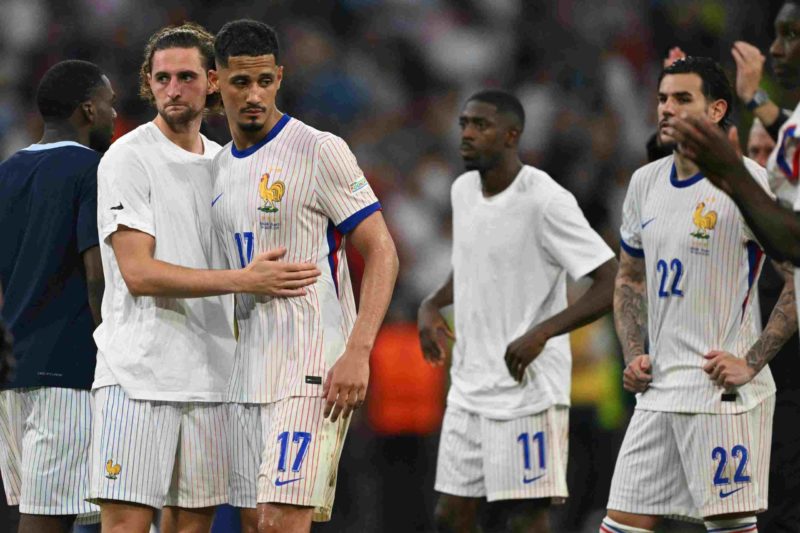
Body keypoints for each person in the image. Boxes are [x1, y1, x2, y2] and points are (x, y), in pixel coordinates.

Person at [86, 23, 321, 533]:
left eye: (187, 76)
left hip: (215, 376)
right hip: (138, 375)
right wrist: (243, 279)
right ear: (148, 83)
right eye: (162, 78)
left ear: (212, 81)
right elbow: (138, 272)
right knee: (126, 523)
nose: (174, 89)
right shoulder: (128, 157)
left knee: (193, 525)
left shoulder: (226, 163)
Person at [209, 19, 399, 533]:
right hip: (247, 373)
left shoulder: (319, 149)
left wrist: (359, 349)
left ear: (280, 78)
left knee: (279, 522)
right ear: (215, 82)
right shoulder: (218, 170)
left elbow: (381, 250)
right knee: (251, 521)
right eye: (241, 82)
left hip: (314, 368)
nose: (254, 95)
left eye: (265, 81)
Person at [602, 56, 797, 533]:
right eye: (662, 98)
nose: (666, 109)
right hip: (658, 392)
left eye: (682, 99)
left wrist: (751, 363)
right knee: (618, 524)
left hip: (720, 395)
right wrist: (633, 352)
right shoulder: (645, 184)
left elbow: (794, 276)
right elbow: (629, 277)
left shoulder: (747, 181)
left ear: (716, 111)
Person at [418, 89, 618, 533]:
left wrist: (543, 332)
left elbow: (610, 280)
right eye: (464, 124)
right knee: (450, 517)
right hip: (469, 389)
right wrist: (431, 303)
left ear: (512, 135)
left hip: (528, 391)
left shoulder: (545, 199)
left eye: (481, 125)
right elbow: (468, 265)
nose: (467, 133)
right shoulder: (462, 190)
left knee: (524, 520)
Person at [0, 59, 115, 533]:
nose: (113, 113)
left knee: (55, 511)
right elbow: (96, 274)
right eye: (108, 103)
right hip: (66, 370)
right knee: (48, 522)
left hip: (14, 372)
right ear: (88, 108)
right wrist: (115, 347)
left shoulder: (6, 171)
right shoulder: (90, 168)